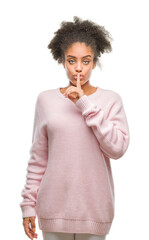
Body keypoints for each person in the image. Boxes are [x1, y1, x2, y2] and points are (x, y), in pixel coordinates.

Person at [20, 16, 130, 240]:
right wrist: (28, 206)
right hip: (53, 209)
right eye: (71, 61)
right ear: (62, 61)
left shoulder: (110, 100)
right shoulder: (46, 100)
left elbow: (117, 149)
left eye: (86, 61)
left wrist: (84, 103)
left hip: (94, 210)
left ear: (95, 62)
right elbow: (38, 159)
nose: (78, 69)